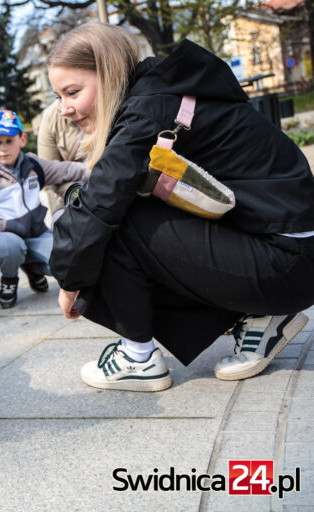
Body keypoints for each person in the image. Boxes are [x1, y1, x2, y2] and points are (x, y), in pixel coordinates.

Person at [47, 23, 314, 392]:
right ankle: (258, 319)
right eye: (59, 96)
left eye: (72, 92)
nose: (64, 108)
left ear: (107, 74)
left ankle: (137, 359)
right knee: (116, 214)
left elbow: (99, 205)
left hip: (287, 260)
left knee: (114, 221)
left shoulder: (147, 109)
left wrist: (68, 279)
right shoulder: (162, 94)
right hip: (288, 254)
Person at [0, 109, 87, 308]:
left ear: (22, 139)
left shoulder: (33, 165)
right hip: (1, 240)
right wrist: (9, 225)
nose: (3, 148)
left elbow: (63, 170)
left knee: (64, 261)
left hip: (35, 234)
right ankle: (9, 279)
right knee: (11, 246)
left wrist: (92, 173)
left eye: (9, 141)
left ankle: (33, 269)